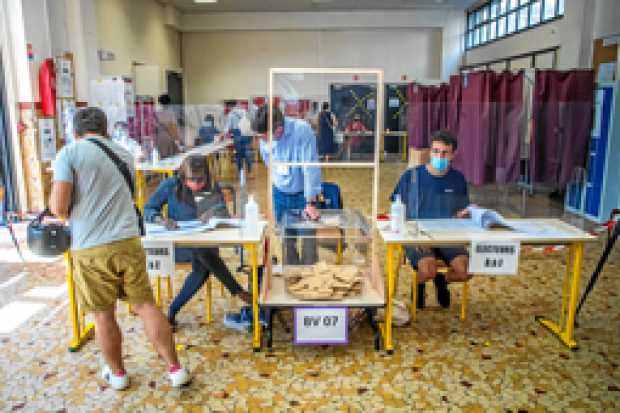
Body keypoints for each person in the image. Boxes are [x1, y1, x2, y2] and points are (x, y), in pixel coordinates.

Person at [50, 107, 190, 390]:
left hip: (91, 247)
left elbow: (59, 208)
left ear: (75, 132)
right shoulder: (123, 154)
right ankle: (175, 369)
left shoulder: (70, 154)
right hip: (128, 242)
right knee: (145, 306)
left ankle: (118, 374)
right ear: (106, 130)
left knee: (103, 313)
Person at [144, 155, 252, 327]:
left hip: (205, 244)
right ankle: (237, 290)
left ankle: (172, 311)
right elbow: (149, 208)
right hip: (179, 245)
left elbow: (222, 211)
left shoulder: (211, 186)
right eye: (191, 180)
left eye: (200, 180)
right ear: (182, 176)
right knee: (202, 258)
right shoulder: (170, 185)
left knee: (202, 258)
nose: (196, 185)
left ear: (207, 176)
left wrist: (215, 212)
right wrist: (161, 220)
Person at [390, 130, 473, 309]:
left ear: (453, 154)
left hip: (447, 235)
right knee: (428, 269)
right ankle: (418, 283)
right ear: (429, 151)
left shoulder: (458, 179)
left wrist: (464, 214)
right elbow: (397, 210)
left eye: (444, 153)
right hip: (417, 234)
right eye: (435, 151)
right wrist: (413, 236)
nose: (439, 156)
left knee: (466, 271)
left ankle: (442, 280)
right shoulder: (411, 177)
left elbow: (461, 210)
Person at [252, 104, 321, 265]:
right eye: (260, 137)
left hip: (303, 194)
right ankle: (292, 275)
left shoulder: (301, 131)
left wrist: (310, 202)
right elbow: (268, 161)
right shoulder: (265, 138)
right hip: (280, 193)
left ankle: (309, 276)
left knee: (308, 238)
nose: (262, 140)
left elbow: (310, 167)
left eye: (264, 137)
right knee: (286, 238)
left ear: (279, 129)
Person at [225, 105, 253, 176]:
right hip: (247, 134)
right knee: (248, 153)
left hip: (237, 134)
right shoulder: (246, 113)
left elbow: (228, 127)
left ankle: (240, 171)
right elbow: (252, 125)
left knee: (238, 154)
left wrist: (224, 134)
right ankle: (250, 172)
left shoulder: (231, 114)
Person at [154, 94, 182, 158]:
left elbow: (155, 128)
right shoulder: (171, 113)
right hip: (169, 137)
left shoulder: (156, 113)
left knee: (162, 158)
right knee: (171, 158)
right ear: (169, 102)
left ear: (160, 102)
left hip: (159, 138)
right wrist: (178, 141)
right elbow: (173, 128)